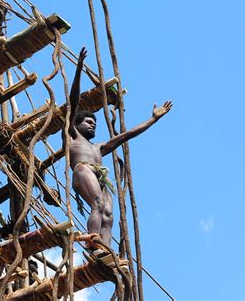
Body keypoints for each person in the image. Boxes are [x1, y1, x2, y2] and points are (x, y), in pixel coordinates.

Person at [65, 48, 172, 254]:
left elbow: (128, 134)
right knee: (97, 203)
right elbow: (74, 100)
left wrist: (154, 119)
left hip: (100, 177)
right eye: (88, 121)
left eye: (94, 122)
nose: (92, 124)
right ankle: (92, 243)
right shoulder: (72, 135)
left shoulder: (99, 147)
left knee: (108, 214)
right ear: (77, 125)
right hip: (83, 170)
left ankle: (104, 248)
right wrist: (78, 69)